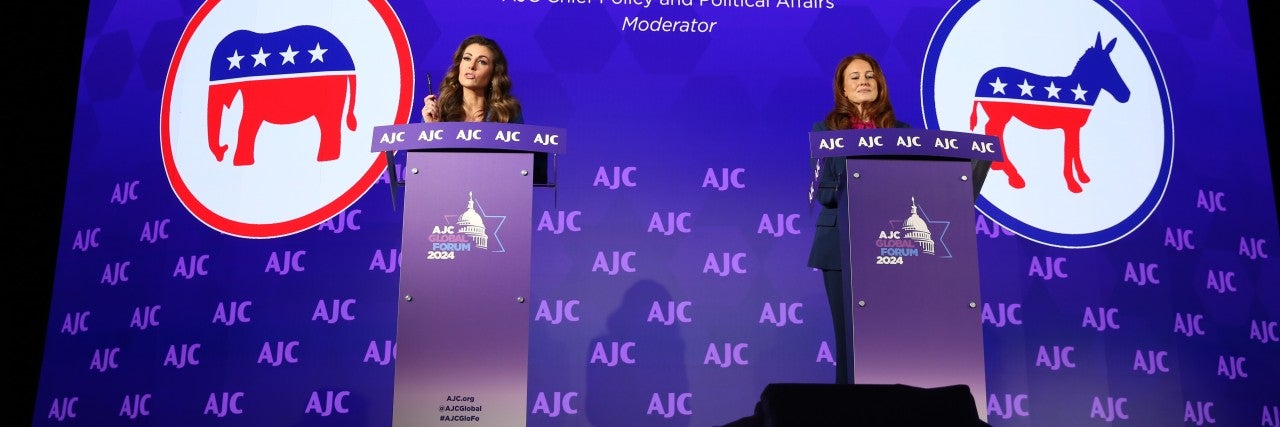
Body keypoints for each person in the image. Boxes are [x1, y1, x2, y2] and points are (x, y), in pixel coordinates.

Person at [807, 53, 990, 385]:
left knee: (890, 341)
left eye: (870, 76)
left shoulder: (903, 132)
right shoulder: (825, 131)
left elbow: (916, 186)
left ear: (879, 85)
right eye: (855, 77)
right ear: (843, 89)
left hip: (894, 249)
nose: (863, 81)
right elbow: (825, 194)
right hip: (839, 248)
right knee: (850, 342)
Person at [421, 35, 548, 183]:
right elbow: (424, 171)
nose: (472, 66)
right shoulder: (437, 111)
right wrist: (433, 130)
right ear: (459, 65)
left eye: (482, 61)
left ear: (494, 74)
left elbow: (520, 171)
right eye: (467, 58)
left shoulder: (507, 114)